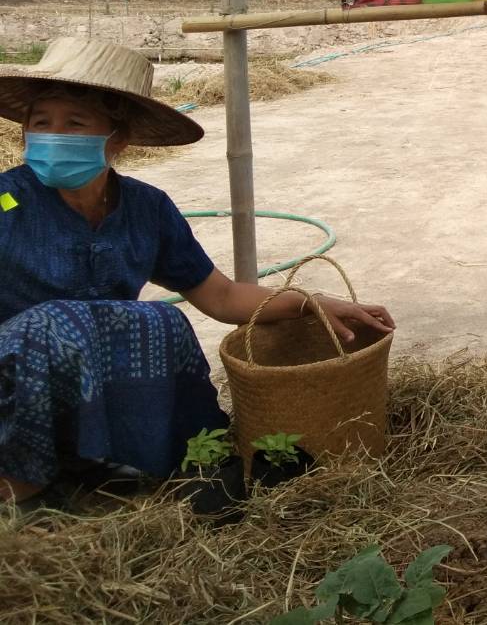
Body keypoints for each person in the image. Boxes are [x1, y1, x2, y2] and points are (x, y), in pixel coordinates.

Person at [0, 38, 394, 505]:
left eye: (75, 123)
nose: (53, 135)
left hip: (88, 378)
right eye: (41, 123)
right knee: (53, 324)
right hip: (12, 376)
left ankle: (164, 462)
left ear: (117, 138)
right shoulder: (8, 201)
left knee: (163, 321)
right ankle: (22, 491)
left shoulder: (146, 208)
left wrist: (309, 302)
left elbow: (221, 297)